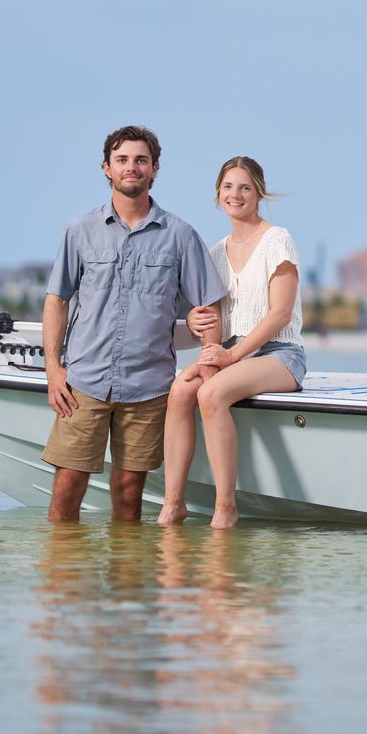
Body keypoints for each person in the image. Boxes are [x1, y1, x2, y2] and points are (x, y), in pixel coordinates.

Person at [42, 126, 227, 523]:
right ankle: (62, 565)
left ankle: (126, 564)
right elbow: (57, 300)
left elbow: (210, 306)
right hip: (84, 382)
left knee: (129, 494)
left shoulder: (180, 235)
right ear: (106, 168)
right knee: (67, 489)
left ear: (154, 168)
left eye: (141, 160)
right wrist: (53, 369)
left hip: (148, 386)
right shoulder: (79, 230)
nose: (132, 167)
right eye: (122, 160)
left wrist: (209, 372)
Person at [158, 156, 307, 528]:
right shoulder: (215, 253)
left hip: (279, 353)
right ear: (217, 194)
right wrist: (200, 333)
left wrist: (231, 356)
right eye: (228, 187)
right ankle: (173, 504)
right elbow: (212, 317)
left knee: (210, 394)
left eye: (244, 187)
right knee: (180, 390)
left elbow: (280, 314)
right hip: (231, 354)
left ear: (259, 193)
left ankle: (225, 508)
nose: (235, 195)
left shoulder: (277, 240)